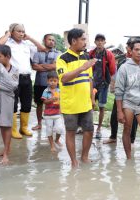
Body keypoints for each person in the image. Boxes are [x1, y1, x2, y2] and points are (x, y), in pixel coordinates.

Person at [56, 28, 97, 168]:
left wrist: (92, 98)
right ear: (74, 41)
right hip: (70, 104)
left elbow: (90, 79)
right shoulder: (62, 59)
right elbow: (64, 79)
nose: (85, 42)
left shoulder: (86, 57)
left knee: (89, 130)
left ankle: (84, 156)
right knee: (71, 132)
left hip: (85, 103)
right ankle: (74, 161)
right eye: (83, 39)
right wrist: (82, 67)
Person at [0, 23, 46, 139]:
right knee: (13, 104)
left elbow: (42, 49)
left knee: (27, 103)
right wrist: (8, 34)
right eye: (18, 31)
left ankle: (23, 127)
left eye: (23, 31)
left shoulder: (27, 44)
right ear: (12, 32)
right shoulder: (8, 43)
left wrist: (30, 38)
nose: (21, 33)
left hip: (26, 78)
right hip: (12, 77)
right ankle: (13, 129)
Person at [104, 38, 140, 144]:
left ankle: (132, 140)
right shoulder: (122, 61)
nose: (138, 52)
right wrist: (114, 88)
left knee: (134, 120)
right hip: (121, 94)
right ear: (130, 49)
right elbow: (115, 76)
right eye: (132, 48)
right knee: (115, 114)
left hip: (136, 97)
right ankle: (113, 136)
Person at [115, 39, 140, 159]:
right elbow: (118, 91)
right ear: (130, 51)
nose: (139, 52)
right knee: (127, 130)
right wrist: (119, 111)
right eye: (136, 49)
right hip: (128, 103)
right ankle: (129, 158)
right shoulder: (124, 68)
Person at [0, 45, 19, 165]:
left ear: (8, 57)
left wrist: (3, 84)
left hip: (8, 98)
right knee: (1, 124)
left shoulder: (15, 69)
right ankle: (6, 149)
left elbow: (14, 86)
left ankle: (6, 153)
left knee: (7, 123)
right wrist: (7, 86)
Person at [89, 34, 116, 139]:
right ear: (95, 42)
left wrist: (107, 80)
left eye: (102, 41)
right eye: (98, 40)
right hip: (92, 84)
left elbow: (113, 70)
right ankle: (87, 126)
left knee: (101, 107)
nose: (100, 42)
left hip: (103, 85)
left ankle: (99, 129)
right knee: (89, 106)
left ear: (105, 42)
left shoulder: (108, 54)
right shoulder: (91, 53)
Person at [31, 34, 60, 131]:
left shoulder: (58, 53)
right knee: (39, 104)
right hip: (39, 82)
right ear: (44, 41)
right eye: (49, 39)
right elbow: (34, 66)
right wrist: (49, 66)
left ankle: (54, 124)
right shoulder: (37, 53)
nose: (51, 41)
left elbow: (55, 66)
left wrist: (42, 65)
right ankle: (39, 124)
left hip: (54, 84)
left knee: (55, 103)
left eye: (53, 40)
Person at [41, 71, 64, 152]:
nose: (53, 82)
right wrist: (51, 100)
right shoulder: (45, 91)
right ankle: (52, 145)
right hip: (48, 115)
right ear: (47, 81)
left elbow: (62, 101)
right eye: (51, 80)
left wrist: (62, 109)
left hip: (57, 114)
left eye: (54, 81)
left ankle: (57, 140)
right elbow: (44, 102)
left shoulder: (59, 91)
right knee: (49, 130)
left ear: (58, 81)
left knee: (59, 129)